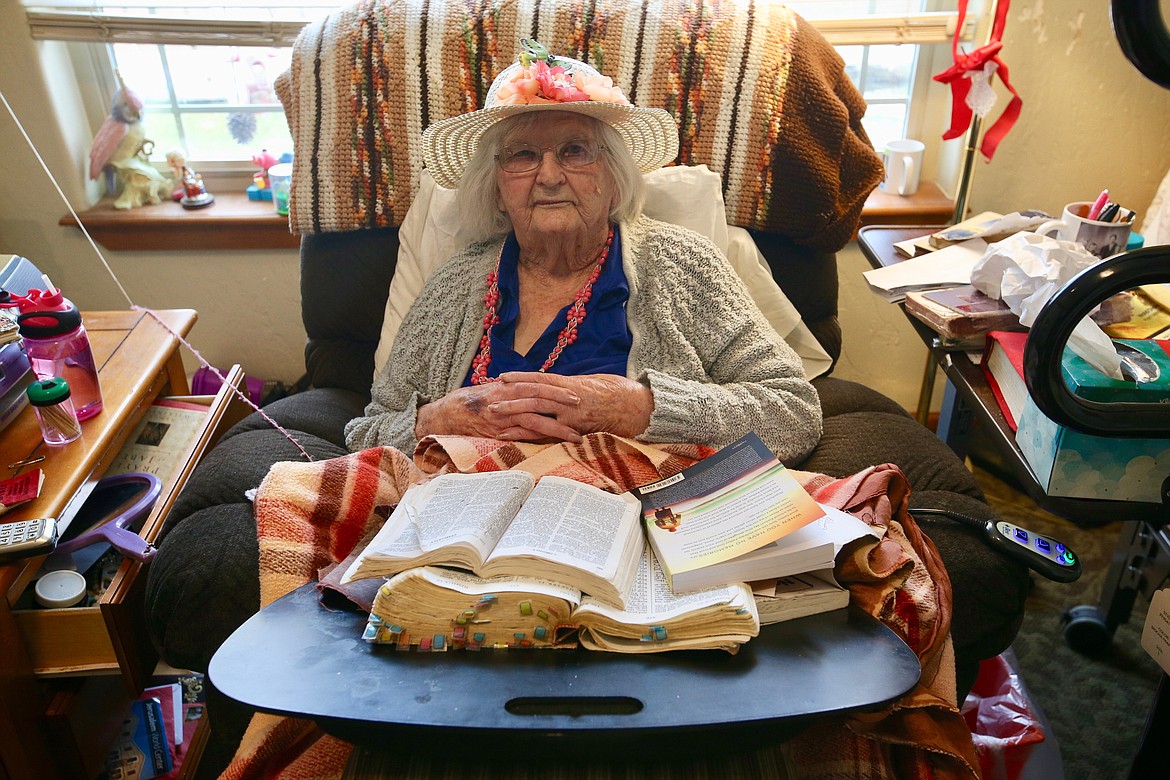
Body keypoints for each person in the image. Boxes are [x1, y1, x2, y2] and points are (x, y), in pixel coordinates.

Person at [345, 40, 821, 465]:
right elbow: (367, 431)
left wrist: (643, 409)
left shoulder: (682, 263)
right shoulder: (454, 284)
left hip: (641, 525)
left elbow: (794, 411)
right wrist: (435, 419)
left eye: (574, 151)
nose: (549, 176)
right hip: (467, 535)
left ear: (613, 177)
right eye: (523, 155)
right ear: (495, 188)